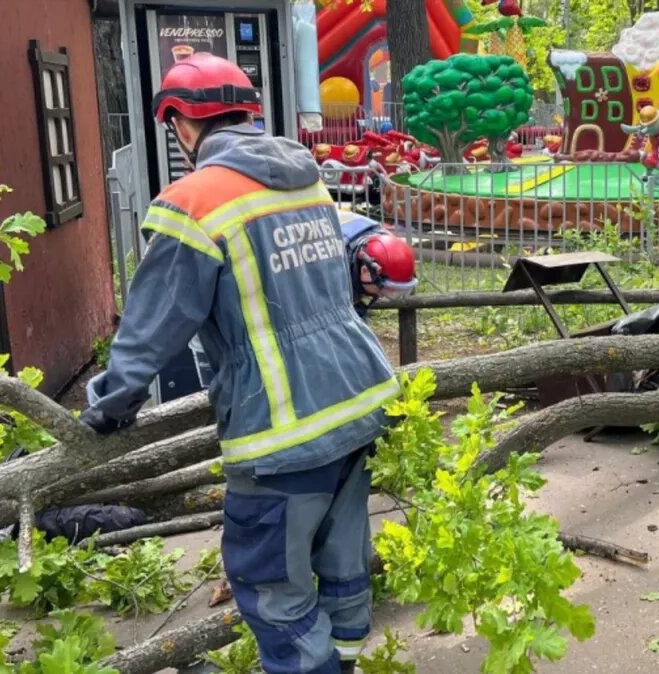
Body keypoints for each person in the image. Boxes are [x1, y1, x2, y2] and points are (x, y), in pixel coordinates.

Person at [79, 53, 399, 674]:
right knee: (343, 567)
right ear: (248, 113)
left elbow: (154, 322)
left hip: (283, 430)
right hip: (357, 402)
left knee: (274, 592)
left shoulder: (193, 201)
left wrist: (112, 403)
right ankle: (345, 663)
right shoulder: (304, 177)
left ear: (179, 123)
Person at [337, 211, 418, 320]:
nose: (382, 296)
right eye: (384, 289)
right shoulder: (334, 260)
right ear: (365, 270)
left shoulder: (387, 240)